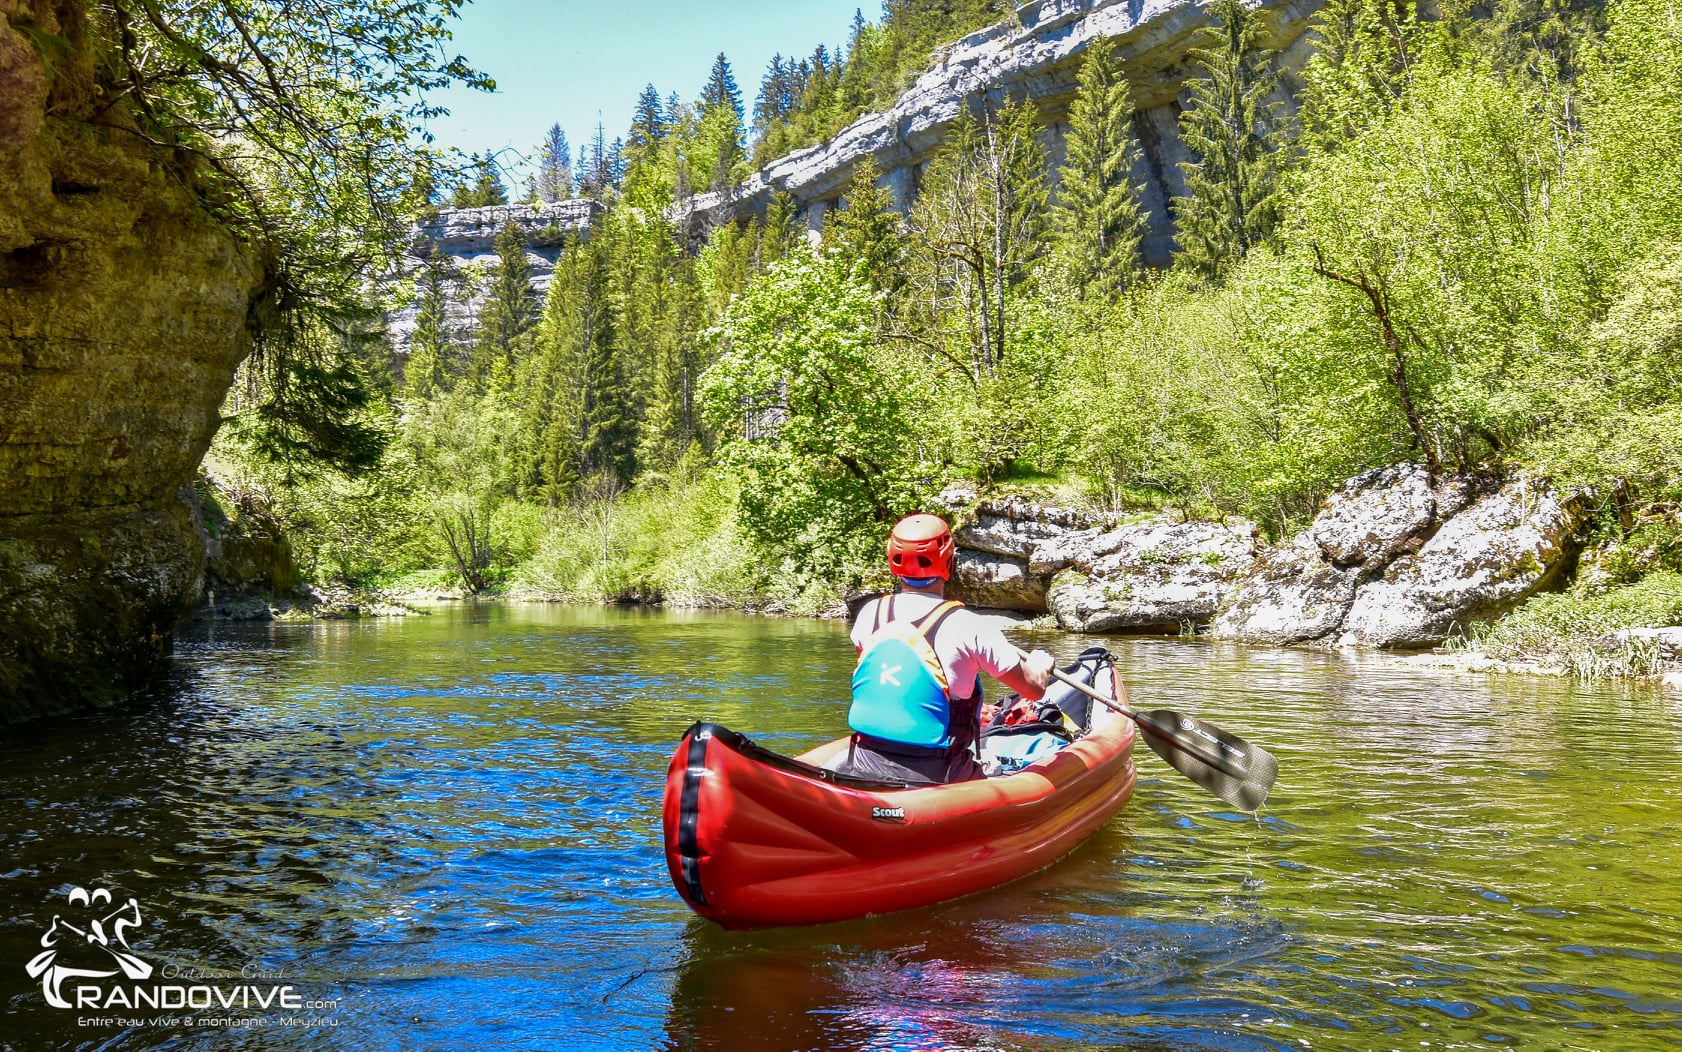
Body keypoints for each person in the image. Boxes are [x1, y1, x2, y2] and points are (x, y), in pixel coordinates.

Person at [834, 513, 1056, 785]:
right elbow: (1032, 689)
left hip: (865, 761)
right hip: (941, 772)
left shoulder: (869, 614)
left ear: (893, 561)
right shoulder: (970, 625)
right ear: (950, 561)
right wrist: (1040, 666)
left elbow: (889, 682)